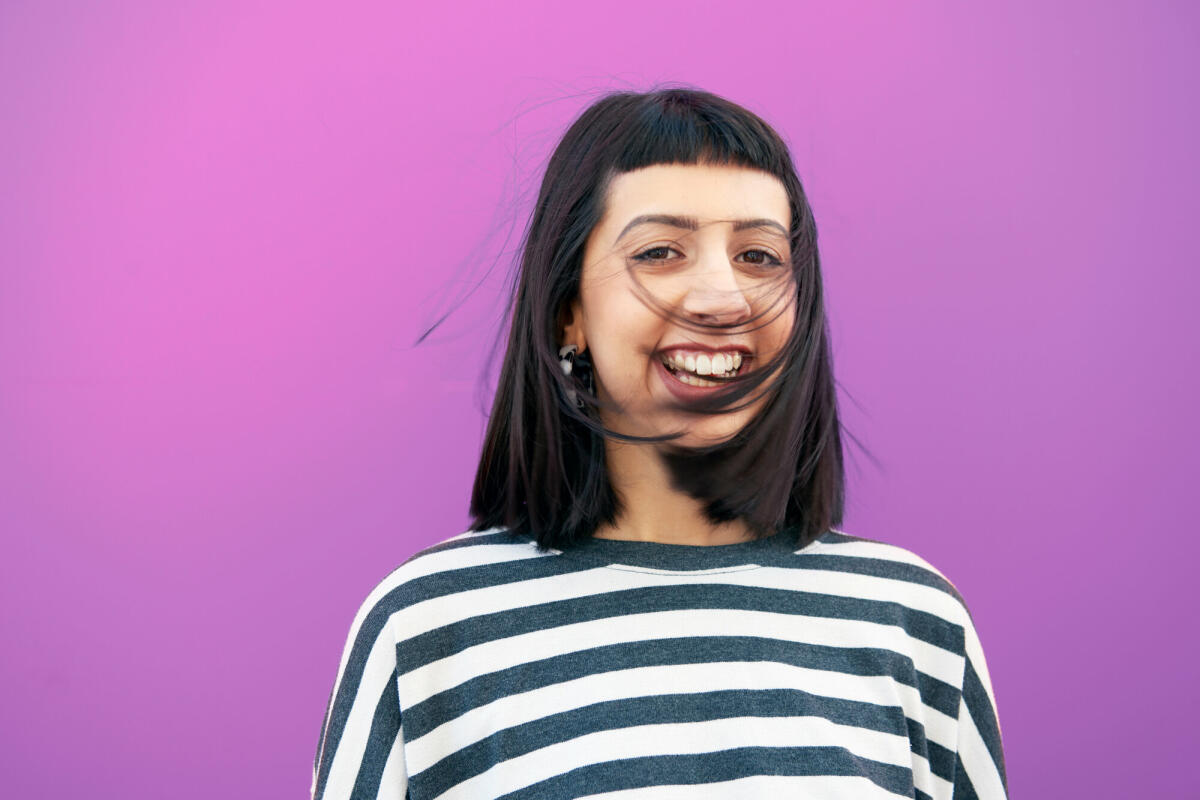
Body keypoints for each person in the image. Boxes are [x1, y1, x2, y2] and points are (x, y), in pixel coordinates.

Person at [311, 87, 1009, 800]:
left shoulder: (914, 620)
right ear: (567, 315)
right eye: (661, 251)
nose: (723, 298)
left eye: (760, 256)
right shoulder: (427, 627)